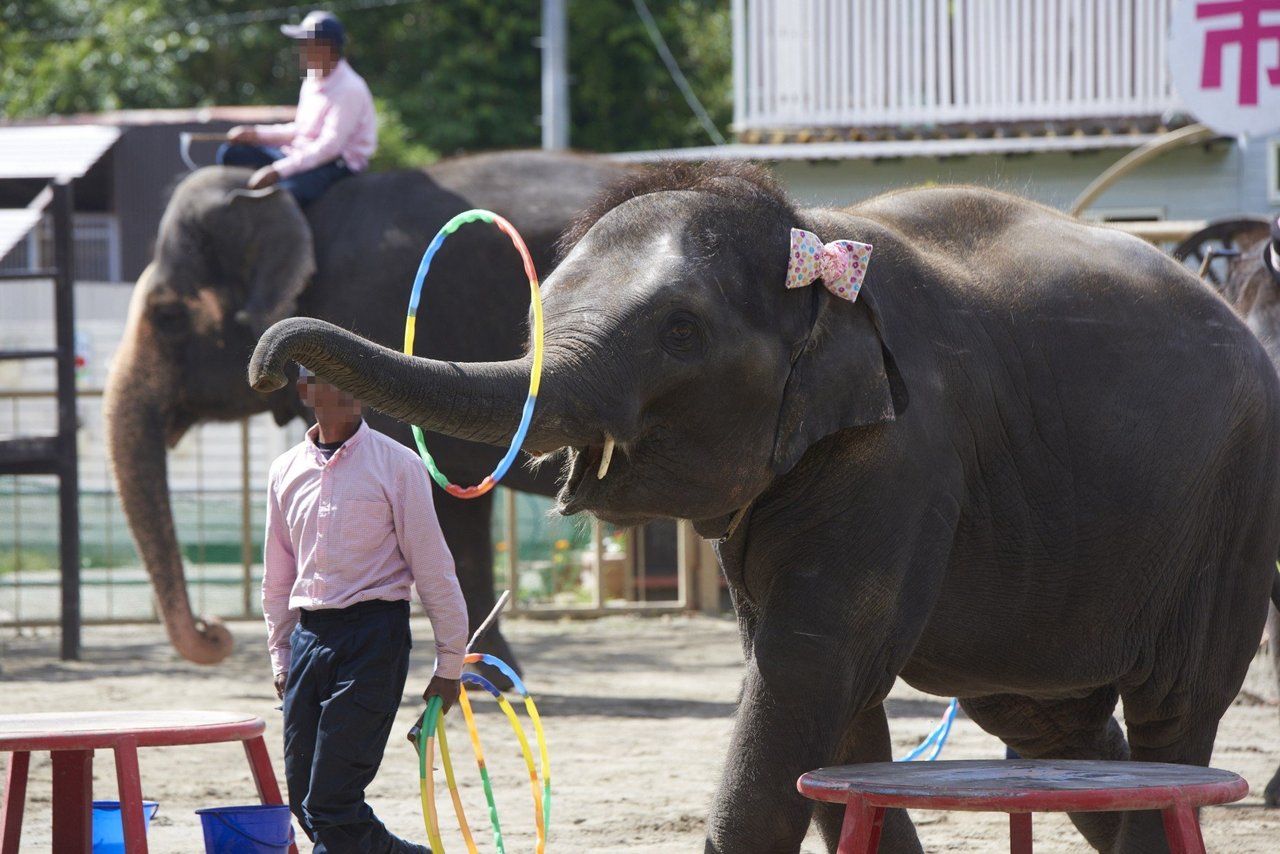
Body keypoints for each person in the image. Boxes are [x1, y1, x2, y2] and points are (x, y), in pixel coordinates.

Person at [263, 366, 466, 853]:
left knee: (331, 803)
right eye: (333, 378)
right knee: (305, 805)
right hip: (310, 639)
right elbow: (278, 576)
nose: (351, 388)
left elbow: (434, 567)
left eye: (357, 376)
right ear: (306, 391)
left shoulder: (399, 465)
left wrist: (449, 665)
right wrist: (281, 655)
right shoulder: (284, 470)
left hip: (374, 637)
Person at [219, 10, 377, 206]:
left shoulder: (350, 88)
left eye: (306, 44)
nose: (301, 49)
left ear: (326, 48)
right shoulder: (312, 78)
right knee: (232, 152)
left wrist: (279, 170)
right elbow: (302, 129)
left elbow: (330, 147)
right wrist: (255, 134)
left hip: (336, 163)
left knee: (283, 196)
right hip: (302, 152)